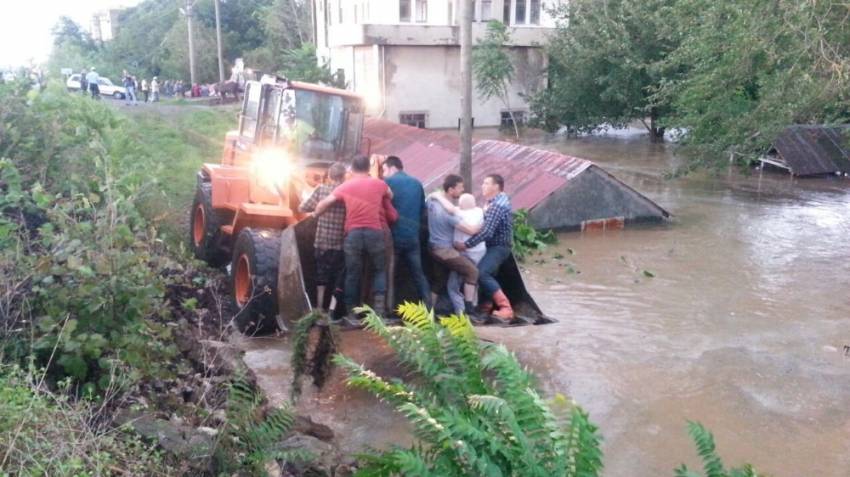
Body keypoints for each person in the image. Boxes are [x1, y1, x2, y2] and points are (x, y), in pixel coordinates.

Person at [313, 155, 398, 326]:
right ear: (368, 168)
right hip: (375, 232)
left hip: (353, 235)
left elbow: (324, 203)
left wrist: (315, 214)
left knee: (353, 273)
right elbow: (391, 195)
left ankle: (351, 315)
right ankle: (379, 313)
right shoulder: (378, 184)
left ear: (351, 169)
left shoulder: (345, 186)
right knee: (379, 270)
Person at [455, 174, 515, 321]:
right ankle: (486, 305)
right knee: (490, 274)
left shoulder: (496, 206)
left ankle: (506, 308)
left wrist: (466, 245)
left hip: (498, 247)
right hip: (497, 245)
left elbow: (487, 232)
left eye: (486, 183)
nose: (482, 186)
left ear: (496, 186)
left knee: (482, 273)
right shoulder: (495, 202)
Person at [427, 175, 482, 319]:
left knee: (439, 281)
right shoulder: (448, 214)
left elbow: (432, 197)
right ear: (451, 189)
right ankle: (468, 310)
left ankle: (428, 314)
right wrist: (484, 222)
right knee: (472, 272)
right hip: (445, 251)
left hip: (433, 247)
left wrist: (437, 195)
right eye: (460, 187)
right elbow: (471, 230)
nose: (462, 190)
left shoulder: (432, 200)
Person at [299, 163, 347, 320]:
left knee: (321, 276)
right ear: (343, 176)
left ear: (329, 176)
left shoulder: (321, 190)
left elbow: (303, 208)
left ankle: (319, 308)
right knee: (337, 277)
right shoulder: (348, 192)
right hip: (340, 243)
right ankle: (332, 311)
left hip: (322, 241)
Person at [382, 156, 431, 307]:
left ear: (392, 168)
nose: (383, 174)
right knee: (418, 274)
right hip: (413, 237)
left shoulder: (388, 183)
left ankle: (387, 310)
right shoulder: (417, 183)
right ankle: (429, 308)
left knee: (389, 274)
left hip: (394, 236)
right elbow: (423, 211)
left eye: (384, 170)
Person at [442, 193, 486, 315]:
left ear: (461, 206)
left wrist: (436, 196)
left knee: (452, 285)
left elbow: (450, 209)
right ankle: (472, 306)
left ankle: (462, 312)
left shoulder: (459, 214)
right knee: (473, 280)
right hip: (479, 252)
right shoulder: (479, 212)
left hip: (463, 253)